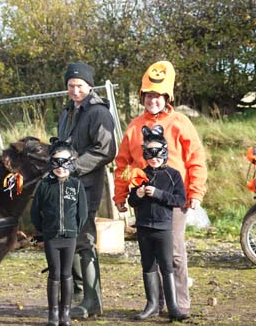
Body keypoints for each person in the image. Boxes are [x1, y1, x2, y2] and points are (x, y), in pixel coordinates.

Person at [113, 60, 207, 316]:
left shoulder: (180, 122)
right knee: (149, 254)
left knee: (174, 252)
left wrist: (195, 191)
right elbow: (122, 163)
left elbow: (196, 158)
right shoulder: (134, 127)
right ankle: (155, 303)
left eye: (158, 96)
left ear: (167, 97)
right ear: (142, 97)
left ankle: (180, 304)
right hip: (144, 201)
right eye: (149, 95)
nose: (153, 100)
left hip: (173, 200)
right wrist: (121, 194)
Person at [57, 62, 117, 319]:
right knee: (68, 233)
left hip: (88, 184)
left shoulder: (98, 112)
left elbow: (106, 150)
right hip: (65, 183)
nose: (75, 90)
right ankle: (79, 295)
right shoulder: (67, 111)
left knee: (84, 236)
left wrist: (74, 167)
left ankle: (93, 300)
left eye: (79, 86)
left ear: (89, 86)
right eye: (71, 86)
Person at [127, 125, 188, 321]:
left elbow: (179, 199)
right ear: (144, 153)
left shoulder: (173, 175)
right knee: (148, 265)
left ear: (165, 152)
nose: (154, 157)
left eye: (158, 153)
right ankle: (152, 304)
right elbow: (131, 201)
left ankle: (173, 307)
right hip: (144, 227)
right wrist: (136, 194)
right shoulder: (140, 174)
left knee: (167, 265)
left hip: (163, 227)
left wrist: (159, 194)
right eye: (149, 153)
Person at [30, 138, 88, 326]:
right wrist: (44, 230)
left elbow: (83, 212)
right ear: (50, 163)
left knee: (66, 273)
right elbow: (35, 211)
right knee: (54, 273)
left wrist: (74, 230)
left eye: (65, 162)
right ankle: (53, 313)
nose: (61, 167)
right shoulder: (44, 186)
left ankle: (66, 312)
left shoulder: (76, 185)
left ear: (72, 163)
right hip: (51, 237)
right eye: (57, 162)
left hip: (69, 237)